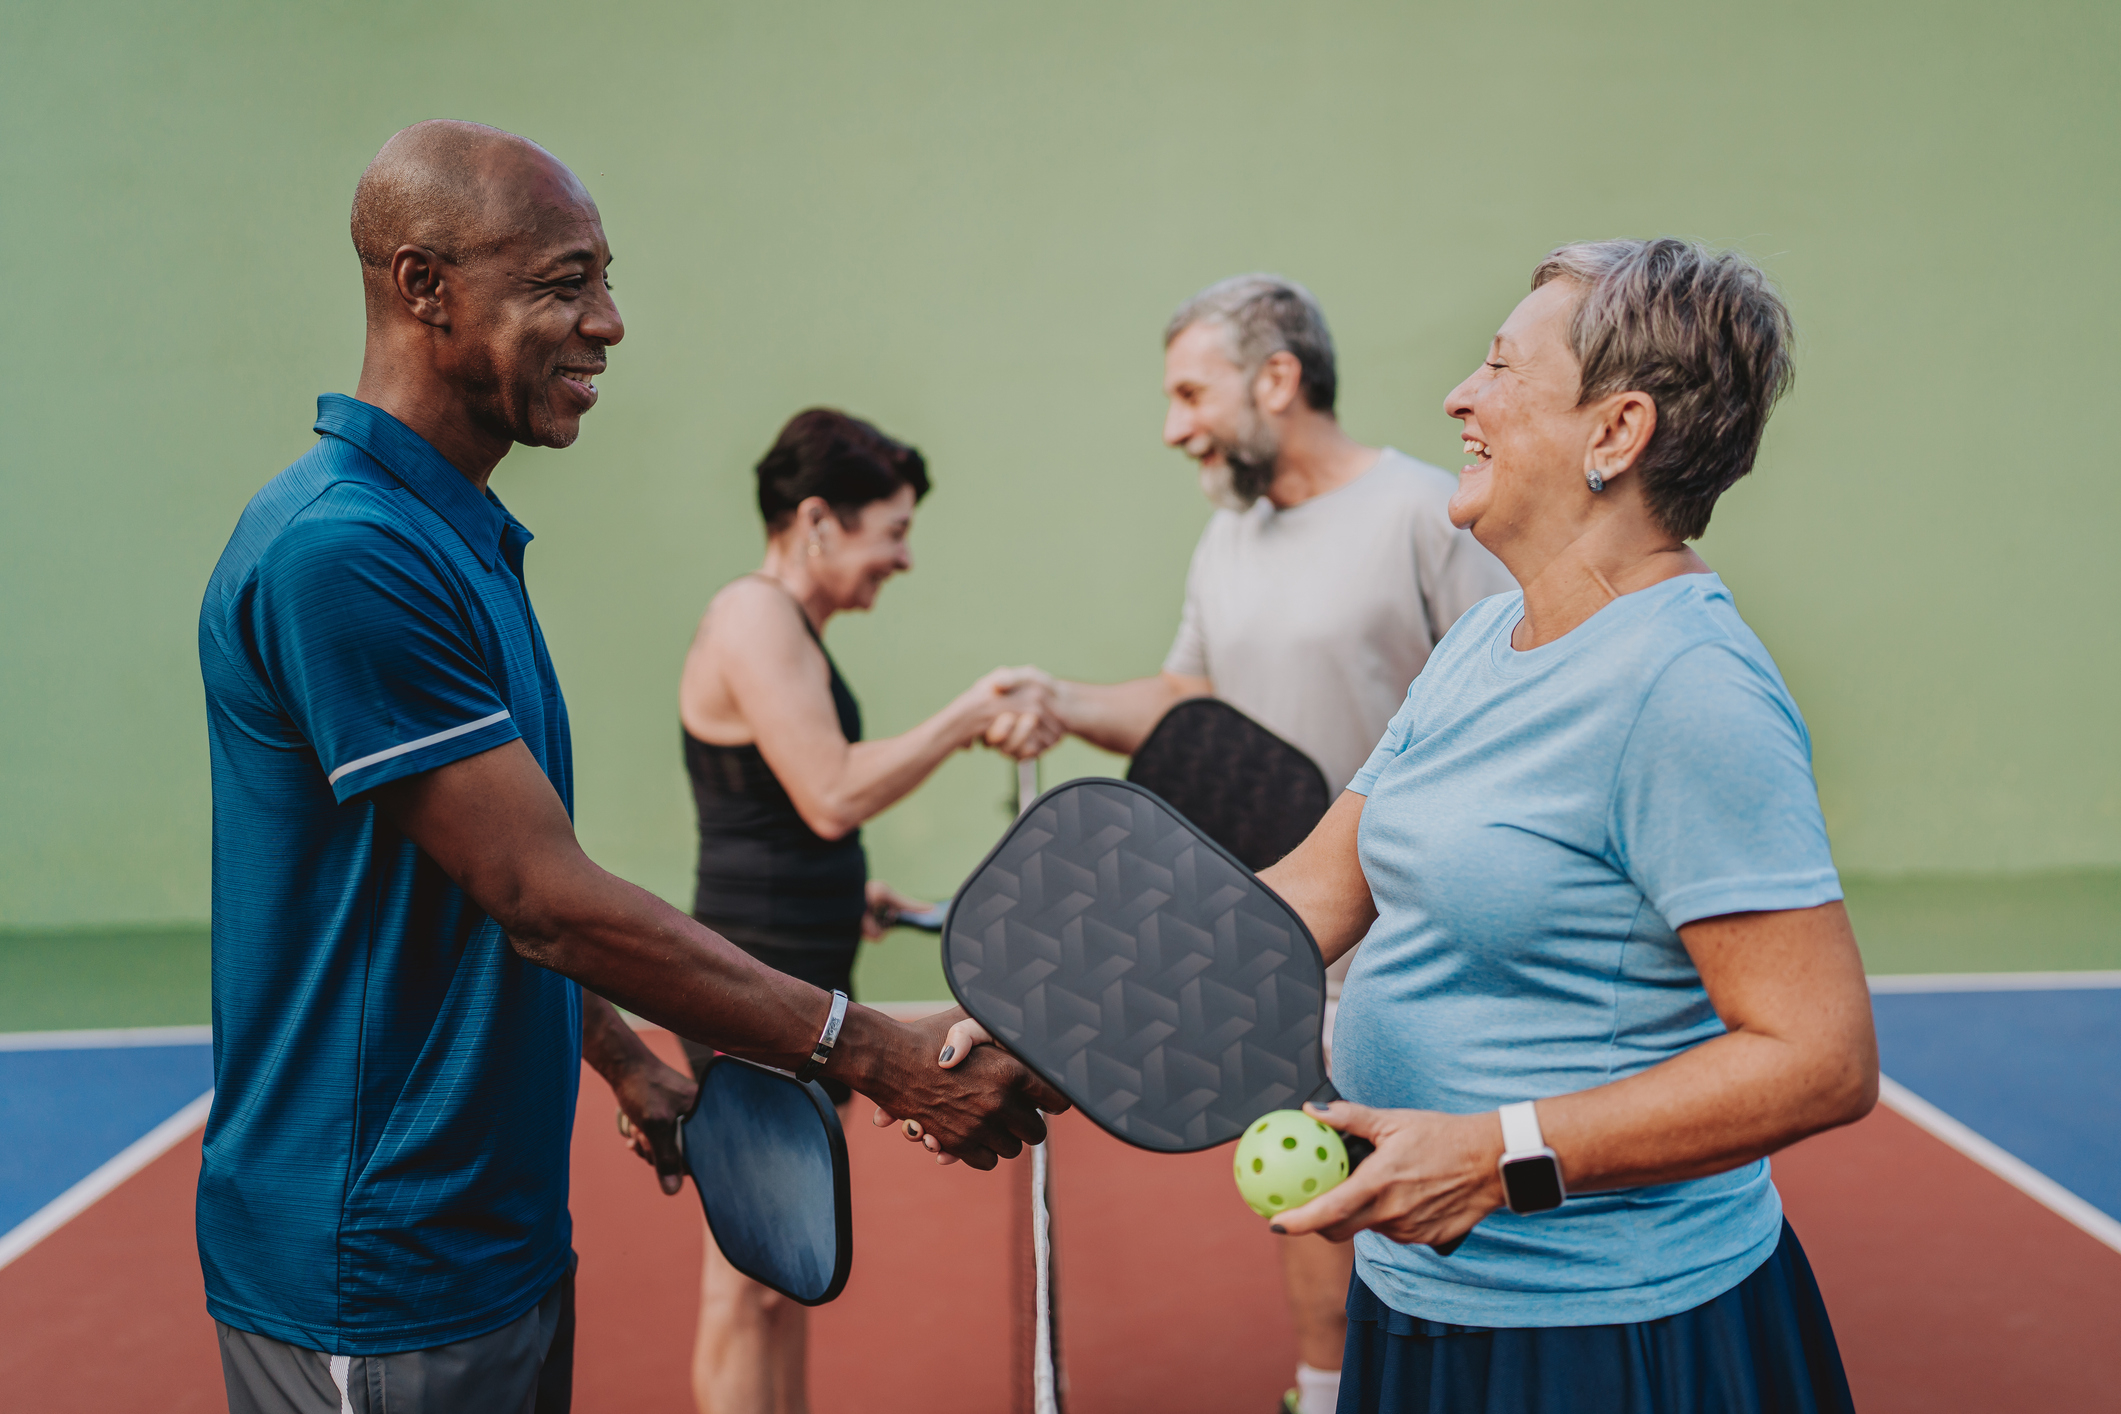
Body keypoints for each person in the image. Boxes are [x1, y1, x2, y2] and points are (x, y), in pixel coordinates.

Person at [196, 120, 1060, 1414]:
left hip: (491, 1237)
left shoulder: (460, 539)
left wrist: (618, 1054)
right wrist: (874, 1050)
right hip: (374, 1265)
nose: (608, 321)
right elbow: (541, 896)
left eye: (604, 277)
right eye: (563, 282)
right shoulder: (345, 551)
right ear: (423, 285)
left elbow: (468, 890)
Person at [1246, 239, 1875, 1410]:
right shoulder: (1484, 639)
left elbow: (1821, 1058)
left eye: (1499, 368)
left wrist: (1501, 1154)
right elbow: (1310, 896)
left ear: (1615, 432)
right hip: (1424, 1296)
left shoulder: (1688, 687)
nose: (1458, 397)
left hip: (1610, 1335)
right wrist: (1035, 1019)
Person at [1005, 273, 1514, 1414]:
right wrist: (1064, 697)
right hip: (1281, 929)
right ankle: (1321, 1391)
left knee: (1438, 1216)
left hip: (1419, 946)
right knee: (1306, 1186)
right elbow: (1191, 696)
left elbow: (1505, 696)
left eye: (1192, 391)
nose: (1173, 423)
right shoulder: (1228, 538)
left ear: (1276, 380)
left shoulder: (1426, 514)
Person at [675, 407, 1061, 1413]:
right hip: (750, 981)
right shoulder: (753, 614)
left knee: (783, 1269)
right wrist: (969, 716)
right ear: (816, 521)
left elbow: (780, 813)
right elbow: (830, 791)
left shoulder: (786, 626)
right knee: (746, 1282)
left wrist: (853, 892)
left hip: (799, 971)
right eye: (890, 531)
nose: (903, 558)